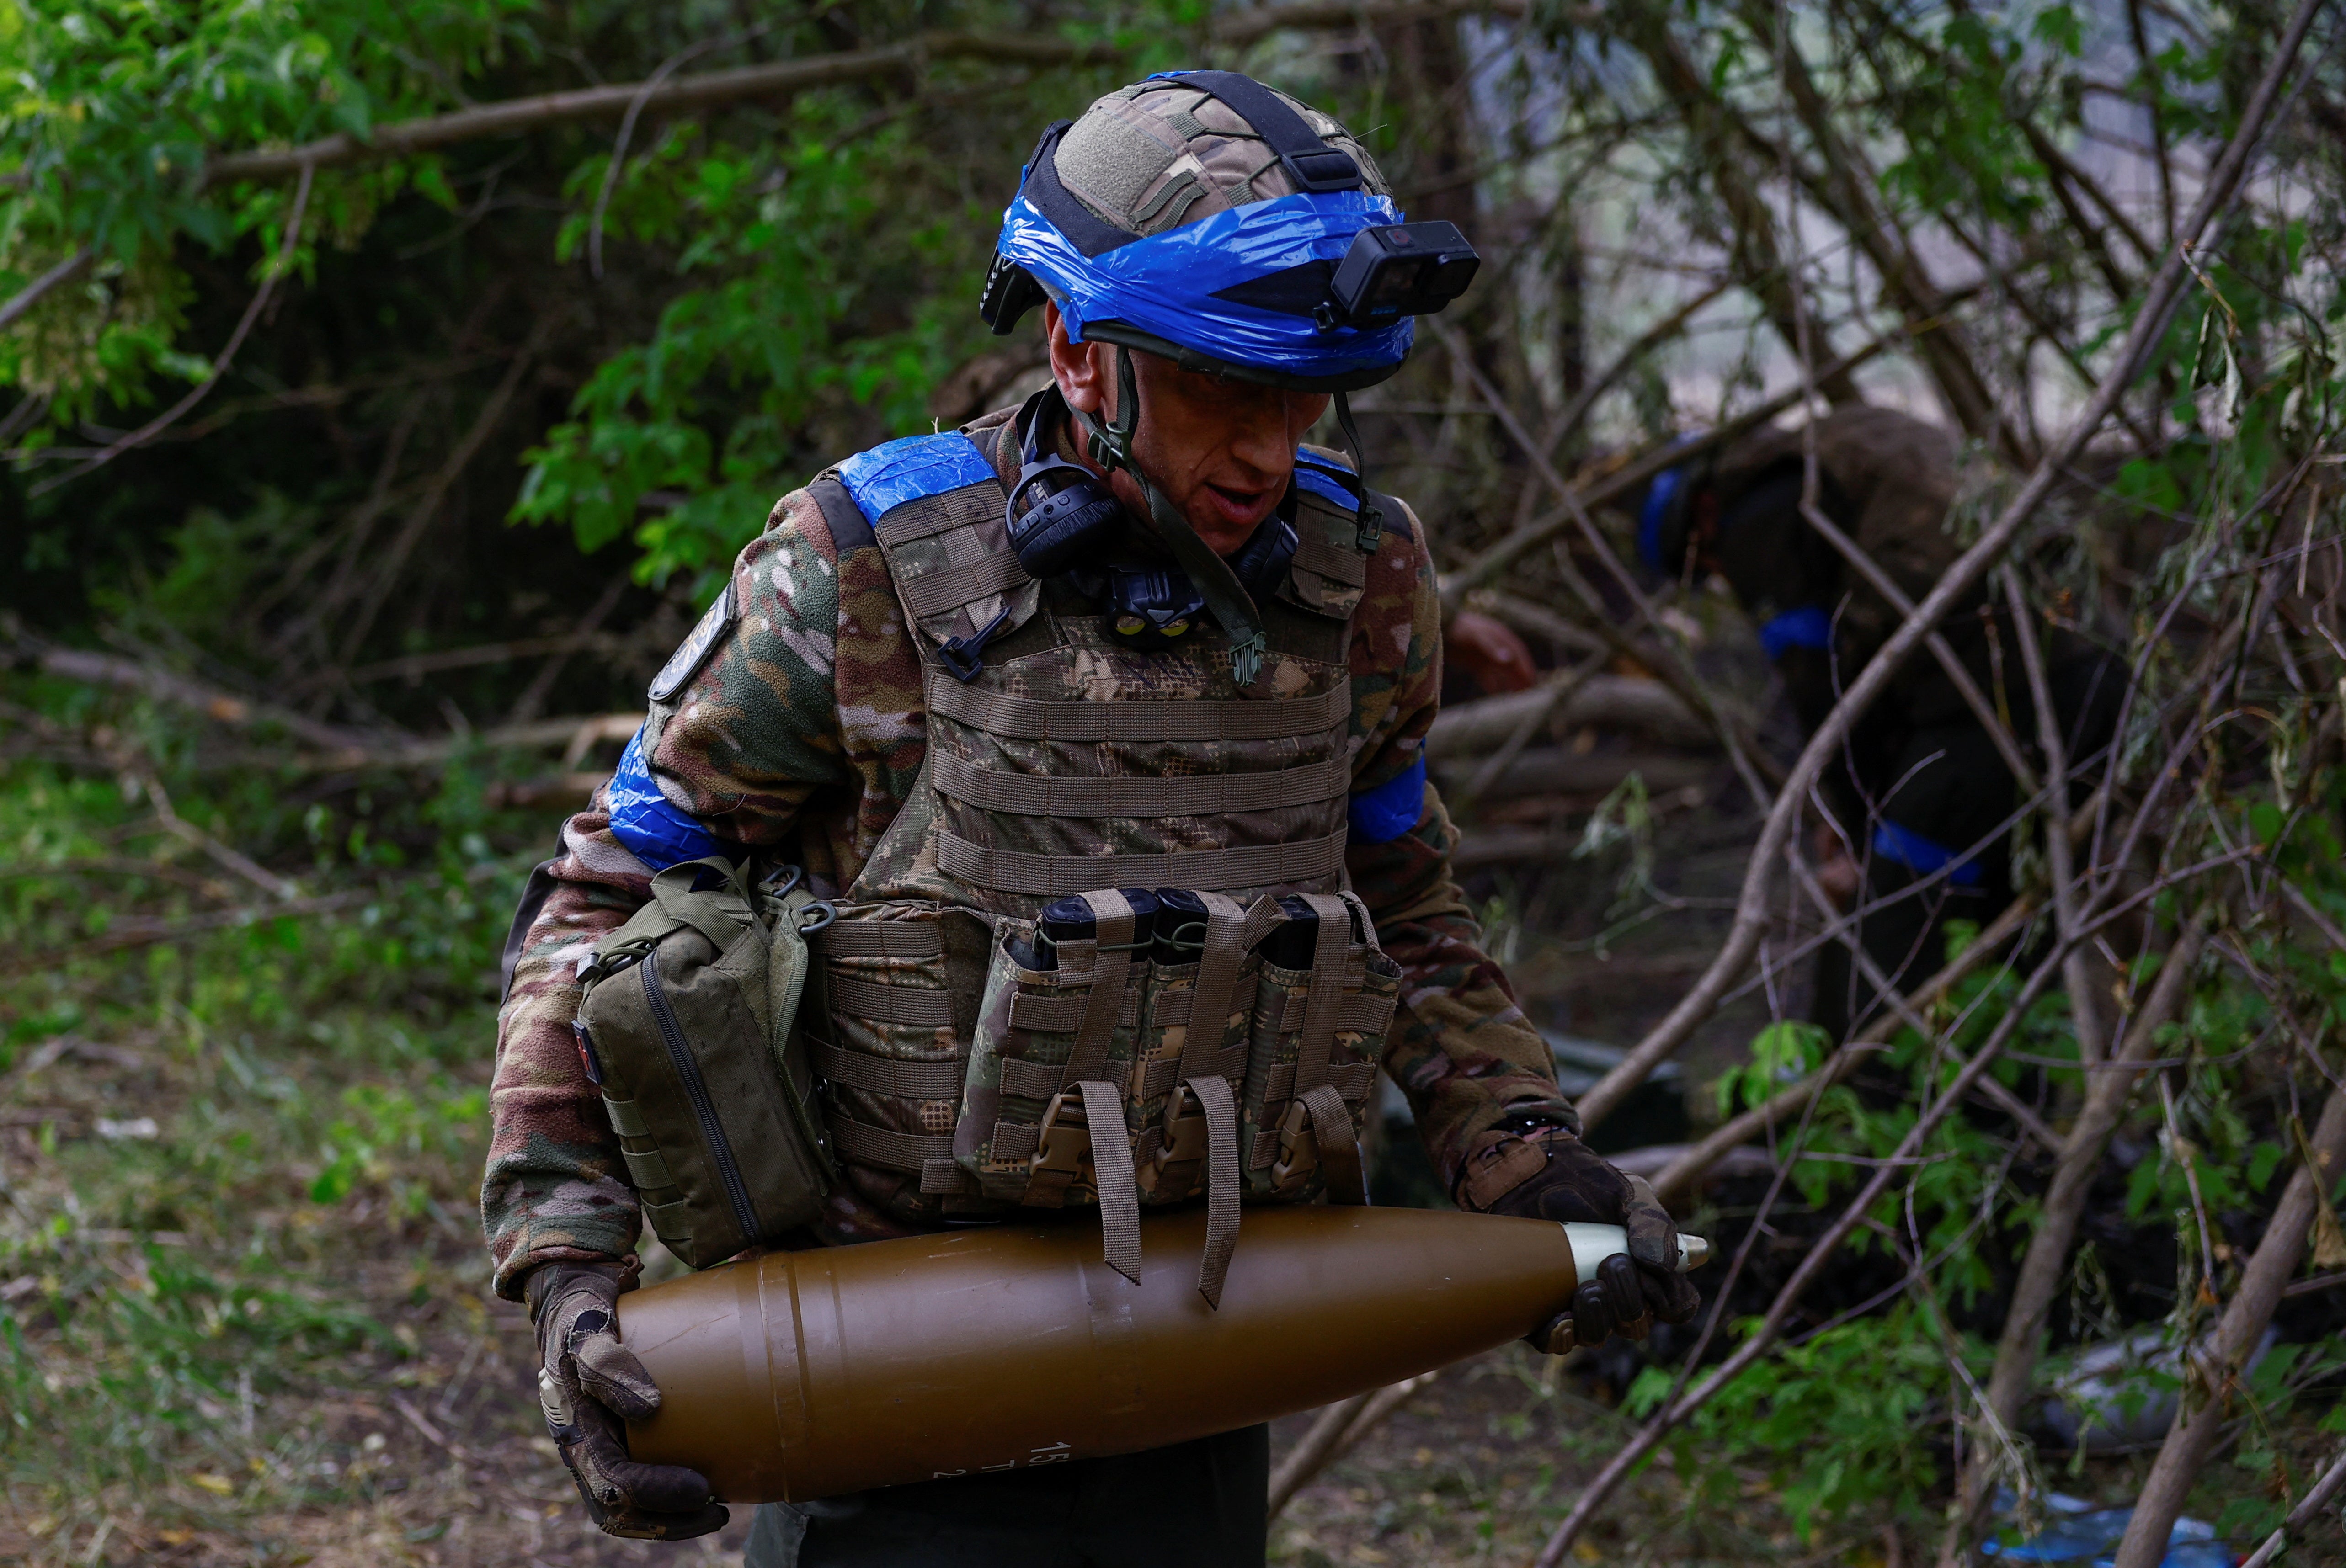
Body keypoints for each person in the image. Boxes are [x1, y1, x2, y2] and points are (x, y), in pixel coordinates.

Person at [485, 71, 1700, 1568]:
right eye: (1218, 390)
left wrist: (1520, 1151)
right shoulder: (864, 568)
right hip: (880, 1360)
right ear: (1074, 348)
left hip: (1204, 1352)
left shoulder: (1360, 582)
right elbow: (600, 899)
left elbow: (1403, 907)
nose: (1268, 450)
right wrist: (567, 1272)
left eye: (1302, 398)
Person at [1637, 404, 2124, 1037]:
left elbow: (1822, 686)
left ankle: (1869, 1111)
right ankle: (1999, 1116)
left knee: (1896, 917)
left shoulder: (1760, 513)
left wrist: (1854, 826)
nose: (1722, 578)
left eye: (1703, 569)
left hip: (2012, 695)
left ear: (1701, 519)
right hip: (2089, 672)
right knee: (2009, 915)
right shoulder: (1835, 451)